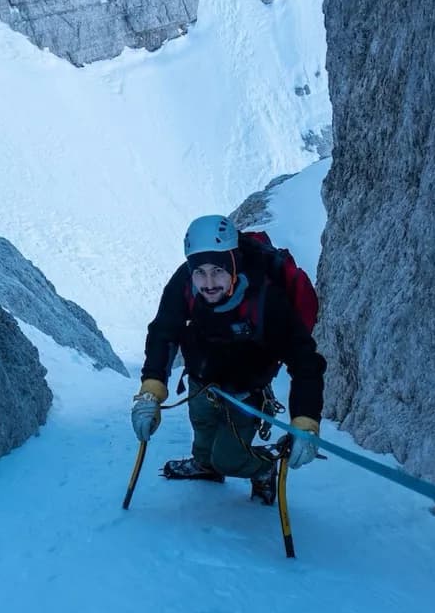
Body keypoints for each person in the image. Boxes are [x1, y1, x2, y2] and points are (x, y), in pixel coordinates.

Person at [130, 214, 326, 505]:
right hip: (201, 382)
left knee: (229, 457)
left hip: (246, 392)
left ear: (233, 264)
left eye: (218, 271)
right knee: (203, 428)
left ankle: (262, 467)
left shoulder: (265, 299)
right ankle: (205, 466)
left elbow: (304, 361)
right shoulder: (185, 282)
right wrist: (151, 391)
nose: (208, 283)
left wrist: (306, 420)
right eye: (201, 272)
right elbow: (163, 333)